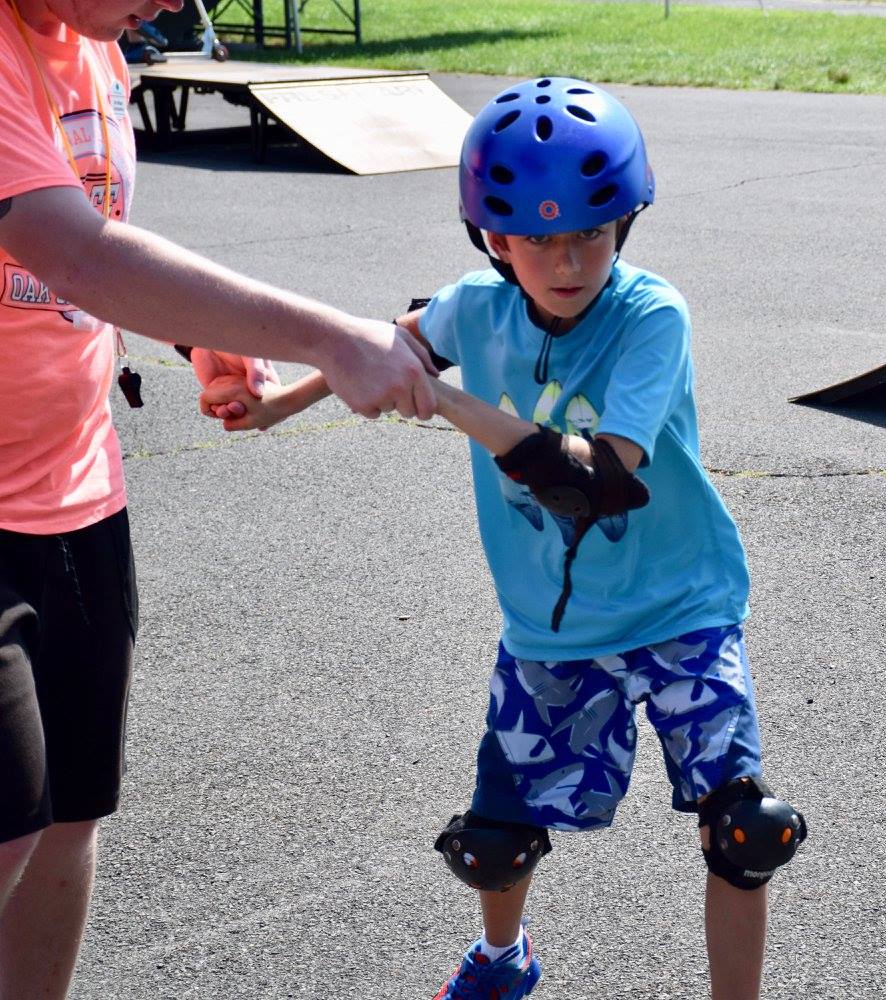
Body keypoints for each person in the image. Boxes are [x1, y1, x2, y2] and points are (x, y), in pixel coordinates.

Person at [201, 77, 807, 1000]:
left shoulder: (651, 316)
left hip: (682, 605)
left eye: (591, 234)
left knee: (746, 830)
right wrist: (275, 405)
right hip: (552, 631)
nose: (568, 261)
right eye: (538, 238)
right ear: (493, 238)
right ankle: (500, 962)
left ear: (626, 224)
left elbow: (594, 480)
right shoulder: (469, 308)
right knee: (492, 845)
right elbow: (384, 345)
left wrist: (443, 398)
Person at [0, 2, 436, 996]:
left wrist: (193, 335)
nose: (169, 5)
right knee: (5, 828)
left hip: (77, 496)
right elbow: (75, 252)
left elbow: (99, 230)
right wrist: (330, 337)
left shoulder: (95, 40)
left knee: (69, 821)